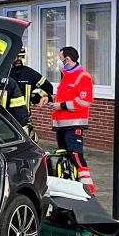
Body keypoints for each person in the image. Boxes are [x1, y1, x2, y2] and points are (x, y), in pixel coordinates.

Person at [51, 46, 95, 193]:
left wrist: (62, 106)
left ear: (67, 59)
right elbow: (63, 97)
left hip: (74, 124)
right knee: (64, 155)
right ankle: (70, 184)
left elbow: (85, 101)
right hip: (61, 125)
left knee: (75, 155)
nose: (59, 61)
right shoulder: (66, 75)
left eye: (60, 58)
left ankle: (88, 187)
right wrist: (48, 98)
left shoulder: (83, 76)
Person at [8, 48, 54, 140]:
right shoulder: (4, 73)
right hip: (5, 116)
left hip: (23, 117)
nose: (19, 59)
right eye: (16, 56)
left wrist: (36, 98)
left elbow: (48, 87)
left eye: (21, 56)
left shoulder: (29, 73)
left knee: (24, 142)